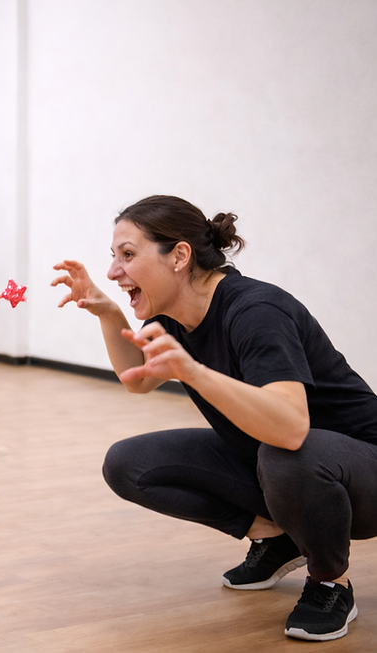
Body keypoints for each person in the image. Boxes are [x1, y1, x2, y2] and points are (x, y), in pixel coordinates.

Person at [52, 195, 377, 642]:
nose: (113, 270)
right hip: (275, 461)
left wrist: (193, 372)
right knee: (128, 463)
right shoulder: (172, 314)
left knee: (285, 455)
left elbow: (291, 428)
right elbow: (137, 378)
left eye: (128, 254)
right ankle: (277, 537)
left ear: (179, 257)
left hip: (358, 474)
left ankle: (329, 581)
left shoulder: (256, 311)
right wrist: (107, 310)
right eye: (113, 257)